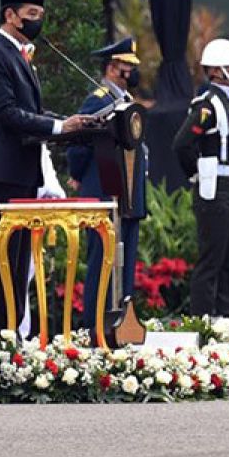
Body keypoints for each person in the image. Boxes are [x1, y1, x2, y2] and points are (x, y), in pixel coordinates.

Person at [0, 0, 92, 336]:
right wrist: (59, 126)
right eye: (31, 15)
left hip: (25, 172)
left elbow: (34, 112)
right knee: (3, 260)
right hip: (5, 171)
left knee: (20, 259)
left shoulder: (21, 55)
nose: (37, 21)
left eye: (40, 15)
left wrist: (77, 126)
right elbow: (9, 114)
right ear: (10, 15)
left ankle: (13, 331)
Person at [66, 37, 147, 330]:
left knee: (124, 265)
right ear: (112, 68)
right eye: (127, 66)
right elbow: (78, 143)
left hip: (127, 197)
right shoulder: (99, 100)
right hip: (104, 191)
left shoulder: (125, 102)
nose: (132, 71)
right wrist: (76, 174)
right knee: (103, 262)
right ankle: (96, 325)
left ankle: (121, 324)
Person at [173, 38, 229, 318]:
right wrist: (197, 174)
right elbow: (181, 144)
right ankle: (202, 323)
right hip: (215, 193)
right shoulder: (207, 106)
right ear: (216, 71)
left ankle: (227, 323)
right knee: (211, 262)